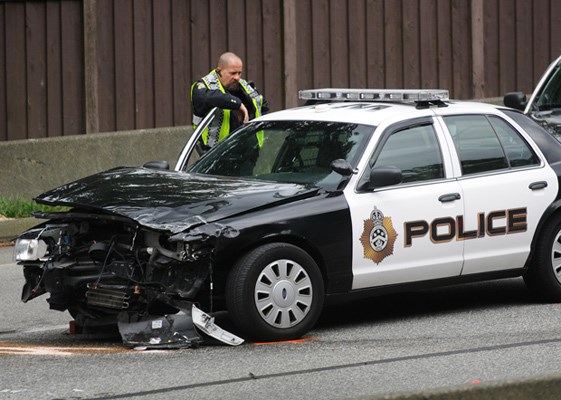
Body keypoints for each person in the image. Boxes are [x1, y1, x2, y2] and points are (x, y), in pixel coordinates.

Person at [190, 52, 268, 149]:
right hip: (215, 153)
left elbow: (262, 105)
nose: (237, 78)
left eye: (239, 73)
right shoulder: (204, 86)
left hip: (247, 153)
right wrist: (238, 104)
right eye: (233, 73)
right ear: (219, 71)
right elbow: (210, 98)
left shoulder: (244, 86)